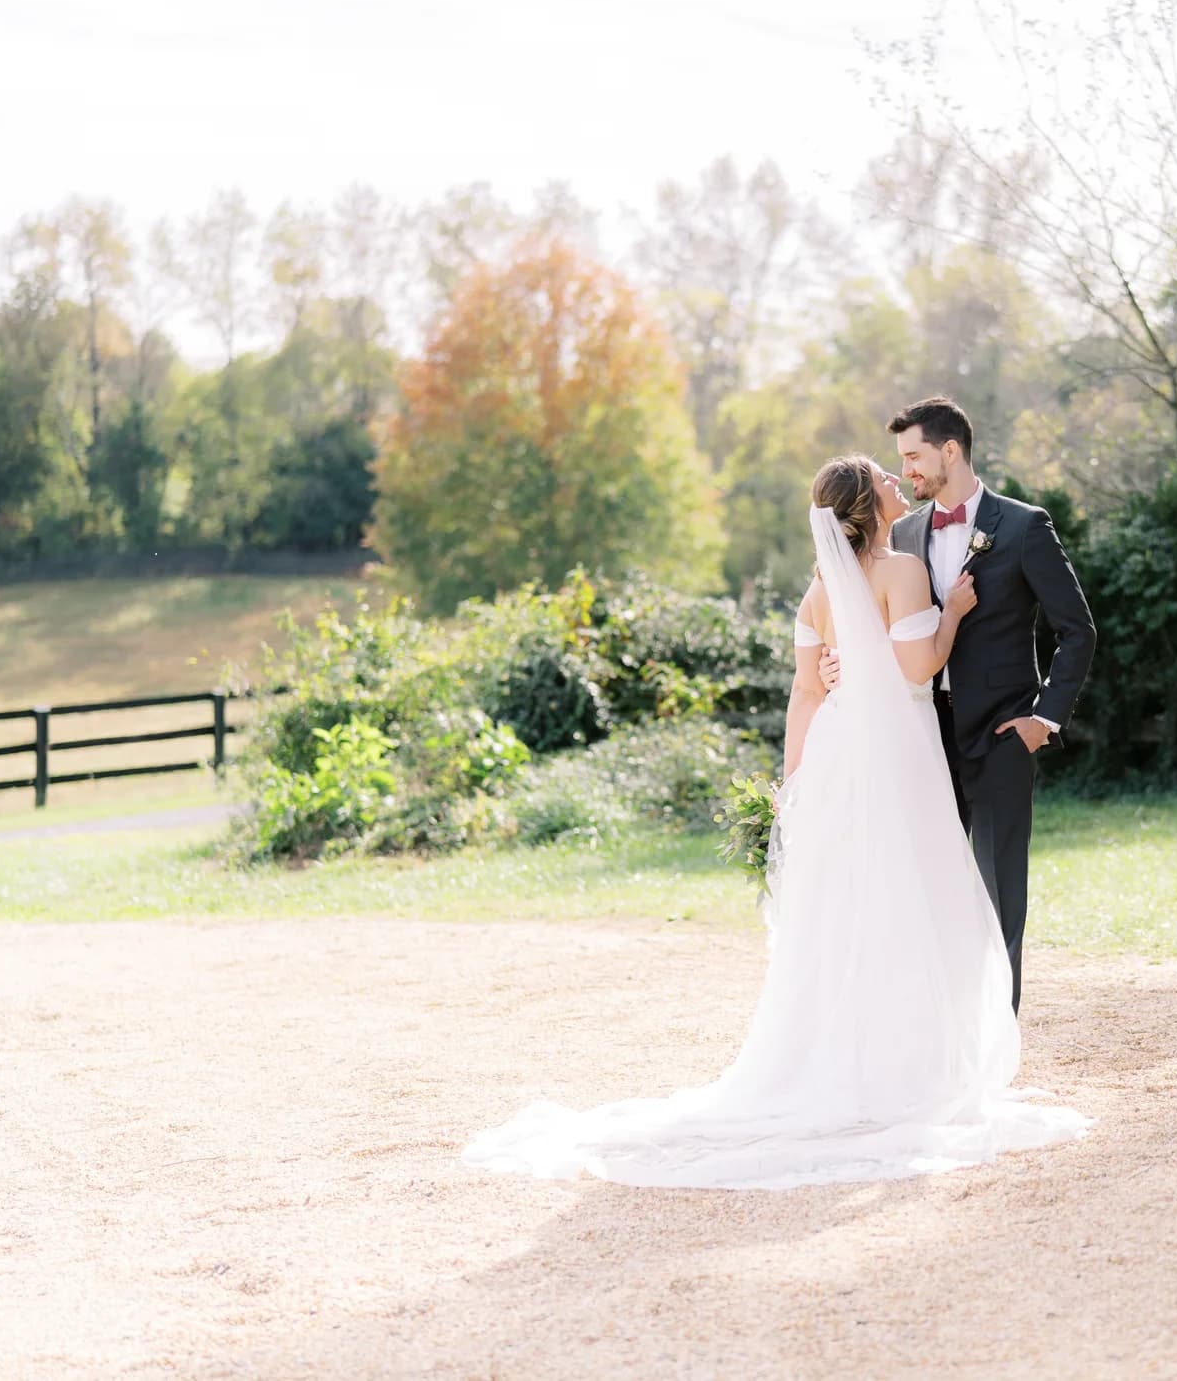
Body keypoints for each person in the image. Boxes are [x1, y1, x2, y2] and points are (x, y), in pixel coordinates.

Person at [462, 455, 1088, 1189]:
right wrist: (952, 613)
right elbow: (918, 673)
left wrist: (793, 785)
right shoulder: (901, 572)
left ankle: (841, 1056)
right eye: (887, 480)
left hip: (835, 753)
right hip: (892, 753)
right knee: (908, 895)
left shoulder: (819, 591)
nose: (897, 485)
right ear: (868, 506)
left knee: (845, 905)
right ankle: (906, 1064)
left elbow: (803, 694)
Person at [825, 397, 1096, 1012]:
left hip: (1003, 736)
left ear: (951, 450)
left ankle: (998, 1046)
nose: (908, 471)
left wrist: (1044, 720)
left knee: (1000, 895)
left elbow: (1077, 630)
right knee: (927, 890)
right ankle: (940, 1036)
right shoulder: (904, 533)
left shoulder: (1025, 527)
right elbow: (871, 624)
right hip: (922, 736)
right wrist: (834, 661)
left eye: (914, 456)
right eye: (902, 461)